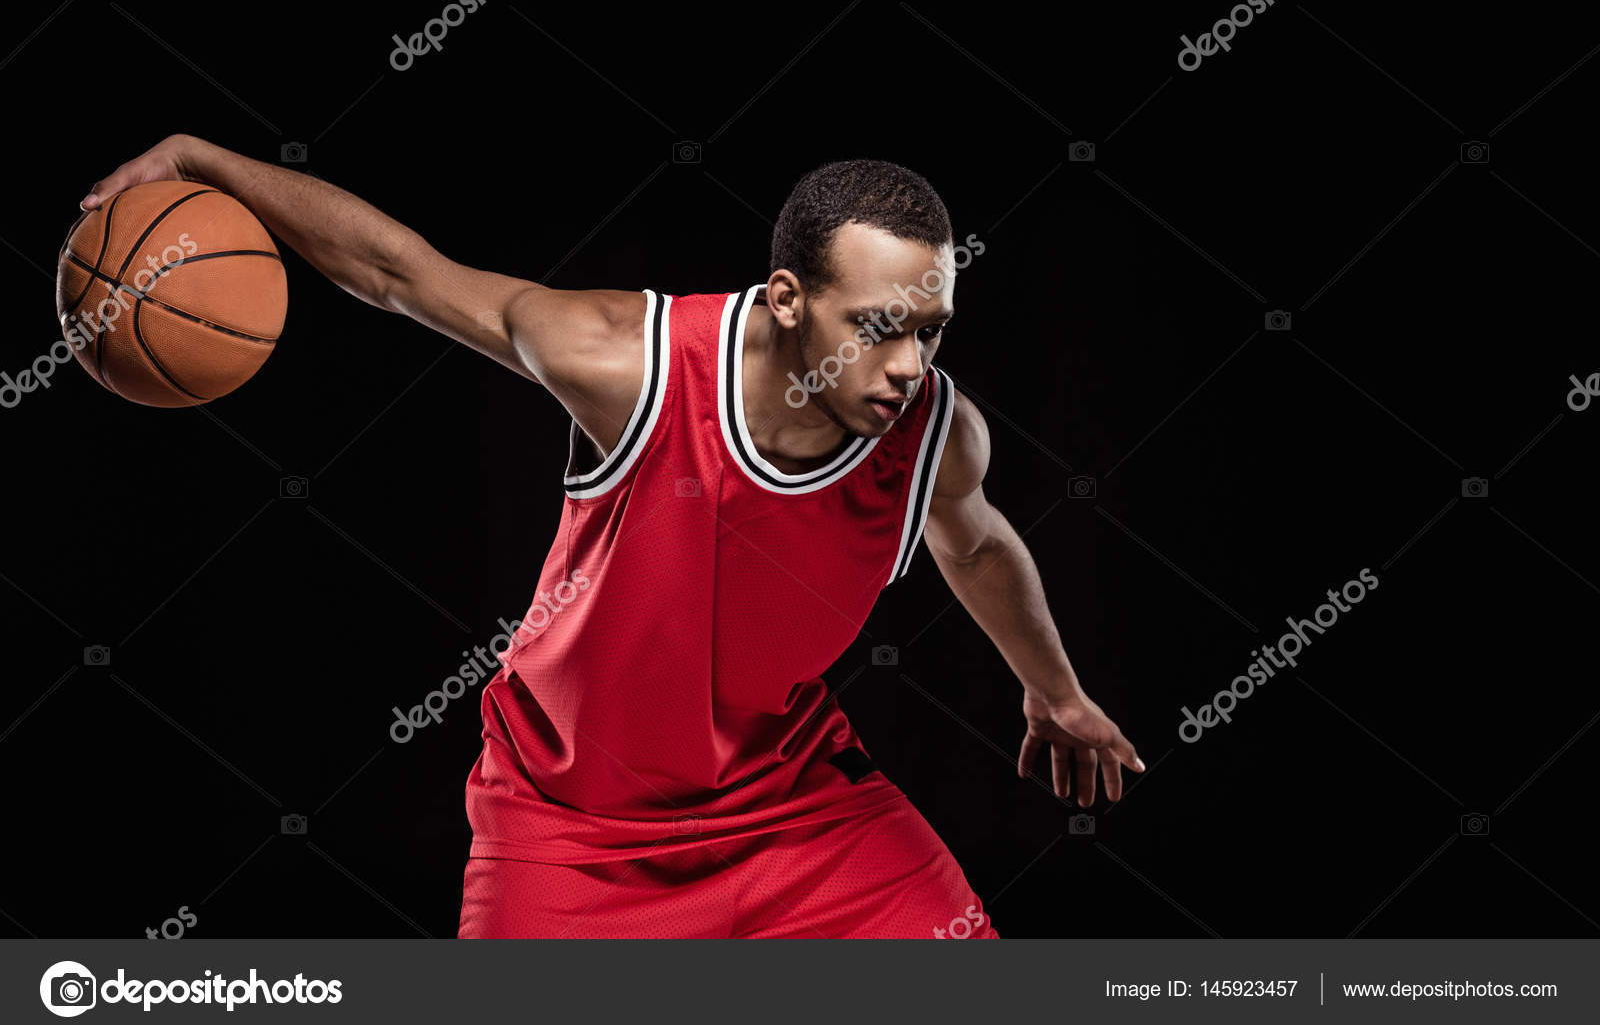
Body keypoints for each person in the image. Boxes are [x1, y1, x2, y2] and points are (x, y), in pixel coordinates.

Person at [81, 140, 1144, 937]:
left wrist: (1054, 691)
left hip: (790, 812)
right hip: (569, 825)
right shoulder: (628, 364)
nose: (909, 363)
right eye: (876, 326)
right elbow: (401, 273)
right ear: (787, 301)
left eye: (929, 329)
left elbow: (977, 545)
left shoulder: (933, 433)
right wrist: (204, 160)